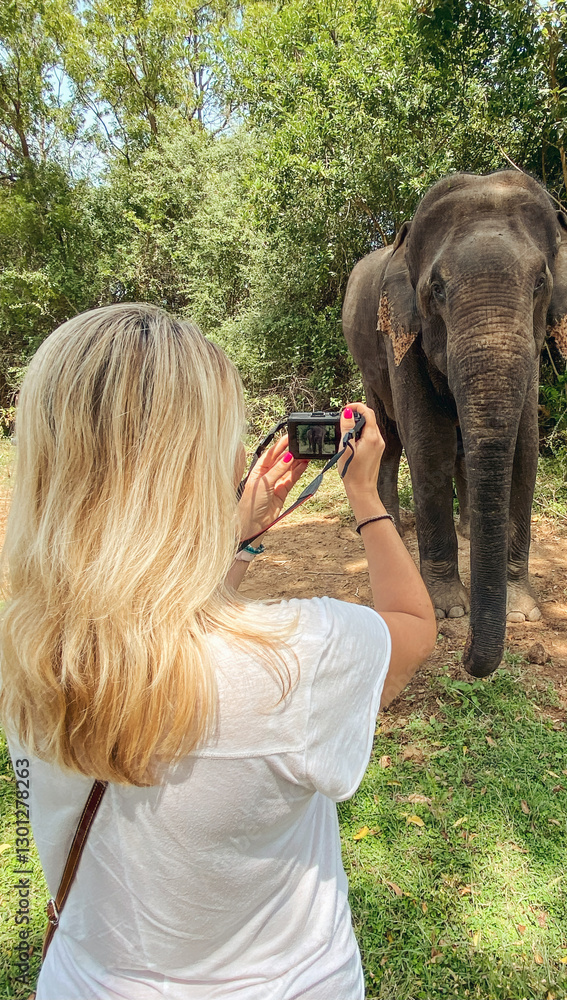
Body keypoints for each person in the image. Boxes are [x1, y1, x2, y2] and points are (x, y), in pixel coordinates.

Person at [0, 303, 436, 1000]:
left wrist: (238, 539)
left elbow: (152, 624)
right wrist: (366, 495)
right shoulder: (295, 658)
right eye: (230, 436)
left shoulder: (23, 646)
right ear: (196, 467)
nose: (241, 455)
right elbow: (413, 624)